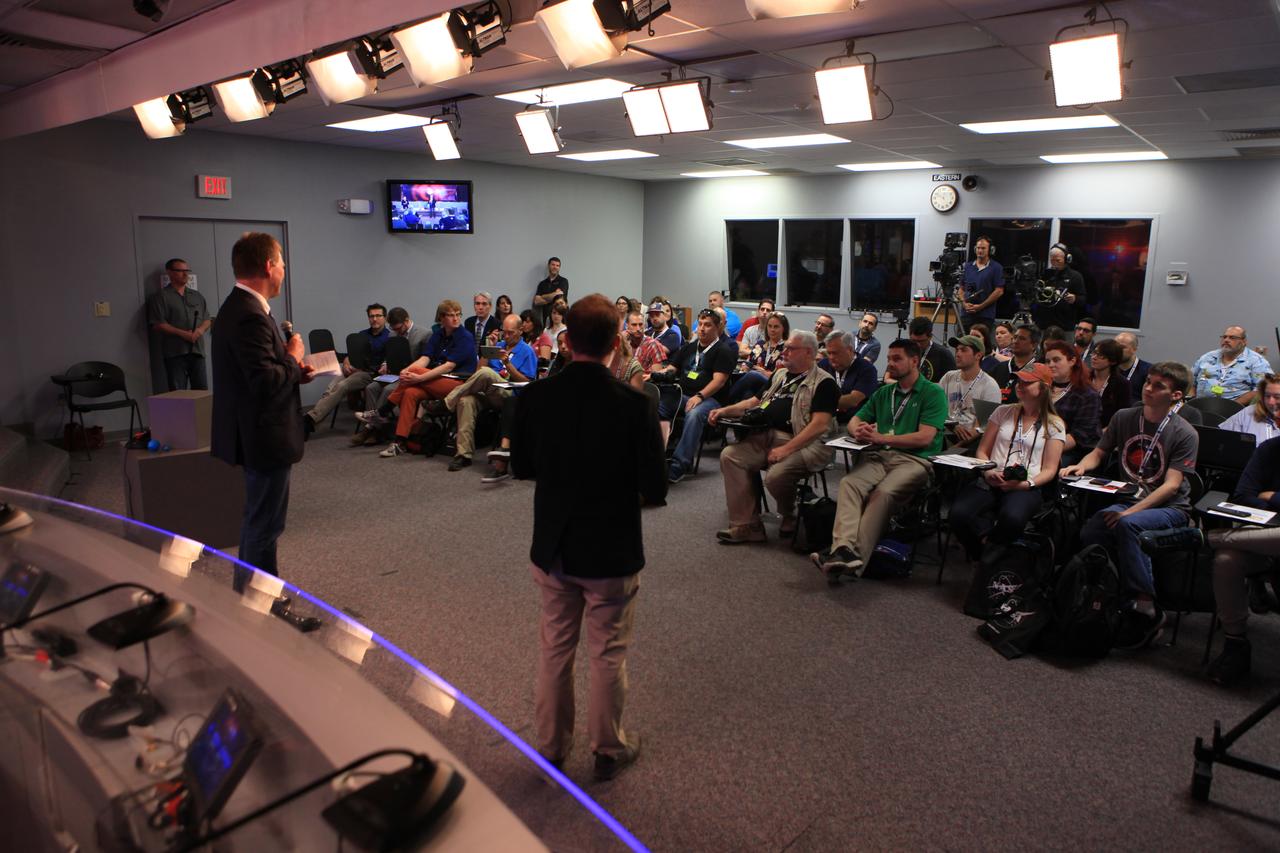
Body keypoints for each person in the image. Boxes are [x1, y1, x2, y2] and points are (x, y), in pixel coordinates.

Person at [512, 293, 666, 781]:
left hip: (554, 543)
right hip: (612, 549)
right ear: (617, 343)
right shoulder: (636, 404)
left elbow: (523, 467)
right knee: (608, 652)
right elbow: (655, 488)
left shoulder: (535, 397)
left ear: (566, 340)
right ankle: (607, 748)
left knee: (556, 648)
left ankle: (552, 748)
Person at [210, 233, 317, 607]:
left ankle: (258, 601)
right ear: (269, 266)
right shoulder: (248, 315)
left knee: (260, 523)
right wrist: (293, 353)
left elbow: (263, 372)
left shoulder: (241, 307)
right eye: (282, 263)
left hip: (257, 431)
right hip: (263, 435)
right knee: (263, 527)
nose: (285, 271)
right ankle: (257, 607)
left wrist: (292, 370)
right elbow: (264, 380)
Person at [1064, 362, 1200, 650]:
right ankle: (1109, 592)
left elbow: (1172, 486)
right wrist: (1080, 466)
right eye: (1148, 382)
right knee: (1093, 529)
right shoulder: (1125, 417)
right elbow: (1099, 452)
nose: (1148, 388)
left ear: (1176, 395)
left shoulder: (1185, 433)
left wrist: (1130, 512)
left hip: (1171, 509)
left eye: (1158, 386)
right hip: (1129, 500)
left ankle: (1147, 606)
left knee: (1127, 524)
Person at [810, 339, 947, 578]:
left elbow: (925, 438)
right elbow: (856, 418)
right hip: (880, 455)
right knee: (849, 483)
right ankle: (843, 549)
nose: (890, 364)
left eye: (897, 359)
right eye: (890, 358)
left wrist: (882, 437)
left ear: (914, 361)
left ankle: (854, 560)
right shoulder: (885, 392)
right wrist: (857, 430)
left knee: (882, 494)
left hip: (915, 461)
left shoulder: (932, 392)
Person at [709, 330, 837, 543]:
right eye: (784, 347)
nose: (784, 352)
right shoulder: (779, 375)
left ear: (808, 352)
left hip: (804, 442)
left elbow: (819, 426)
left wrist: (785, 449)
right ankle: (747, 526)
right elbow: (754, 402)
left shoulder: (824, 383)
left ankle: (789, 514)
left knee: (776, 476)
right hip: (766, 436)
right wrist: (725, 410)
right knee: (731, 456)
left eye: (790, 348)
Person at [948, 363, 1065, 562]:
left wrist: (1027, 484)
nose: (1020, 385)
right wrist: (987, 472)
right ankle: (986, 554)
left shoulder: (1054, 424)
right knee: (958, 515)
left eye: (1027, 382)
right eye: (1018, 381)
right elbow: (982, 450)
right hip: (991, 477)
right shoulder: (1003, 412)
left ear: (1043, 388)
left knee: (1012, 519)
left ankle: (990, 553)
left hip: (1026, 485)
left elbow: (1050, 469)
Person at [1205, 434, 1280, 685]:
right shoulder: (1270, 449)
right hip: (1262, 539)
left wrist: (1273, 497)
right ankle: (1235, 645)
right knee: (1227, 559)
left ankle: (1205, 538)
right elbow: (1243, 494)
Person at [358, 300, 477, 457]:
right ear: (441, 318)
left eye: (458, 315)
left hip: (458, 385)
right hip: (436, 381)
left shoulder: (465, 337)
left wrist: (417, 377)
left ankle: (382, 411)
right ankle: (399, 442)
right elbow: (425, 358)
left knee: (414, 374)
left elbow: (448, 366)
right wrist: (406, 371)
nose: (456, 318)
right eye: (450, 315)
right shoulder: (438, 335)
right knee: (410, 392)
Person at [429, 313, 537, 471]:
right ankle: (463, 455)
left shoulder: (527, 351)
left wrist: (507, 364)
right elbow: (478, 371)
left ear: (520, 330)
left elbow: (527, 383)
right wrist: (488, 349)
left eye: (510, 332)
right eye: (504, 332)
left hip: (510, 396)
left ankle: (446, 403)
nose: (506, 336)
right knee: (465, 401)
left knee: (487, 373)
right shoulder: (498, 345)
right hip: (489, 392)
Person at [653, 309, 737, 483]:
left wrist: (700, 396)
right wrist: (656, 374)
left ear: (717, 327)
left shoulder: (724, 350)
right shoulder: (689, 347)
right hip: (683, 394)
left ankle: (680, 465)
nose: (702, 329)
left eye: (707, 325)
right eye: (700, 324)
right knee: (656, 406)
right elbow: (672, 368)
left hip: (711, 400)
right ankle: (656, 456)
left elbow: (719, 381)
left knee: (695, 414)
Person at [304, 303, 390, 435]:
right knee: (330, 388)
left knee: (342, 386)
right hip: (354, 369)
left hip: (370, 374)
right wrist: (346, 362)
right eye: (371, 316)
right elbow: (352, 353)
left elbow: (384, 364)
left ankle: (310, 419)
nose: (374, 319)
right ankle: (311, 424)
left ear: (385, 317)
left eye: (378, 316)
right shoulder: (361, 335)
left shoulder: (389, 337)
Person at [352, 306, 430, 447]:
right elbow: (390, 356)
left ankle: (372, 430)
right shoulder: (392, 334)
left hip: (411, 376)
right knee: (371, 387)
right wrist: (385, 364)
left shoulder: (424, 334)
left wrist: (407, 371)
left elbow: (426, 362)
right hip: (393, 373)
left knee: (388, 390)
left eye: (399, 328)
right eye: (393, 329)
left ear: (406, 321)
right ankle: (375, 428)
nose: (396, 332)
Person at [148, 258, 211, 391]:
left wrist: (199, 331)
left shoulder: (196, 296)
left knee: (201, 393)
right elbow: (158, 324)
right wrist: (184, 334)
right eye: (180, 271)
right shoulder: (161, 297)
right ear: (169, 273)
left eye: (186, 271)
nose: (185, 274)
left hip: (197, 352)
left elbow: (207, 319)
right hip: (175, 353)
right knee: (178, 394)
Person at [938, 334, 1002, 447]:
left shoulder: (989, 385)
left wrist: (952, 450)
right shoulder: (949, 377)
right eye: (957, 350)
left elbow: (981, 428)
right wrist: (952, 425)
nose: (957, 354)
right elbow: (936, 408)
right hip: (943, 433)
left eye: (963, 350)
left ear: (978, 355)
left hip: (970, 443)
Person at [1043, 340, 1101, 463]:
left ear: (1072, 361)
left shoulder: (1087, 395)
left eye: (1056, 360)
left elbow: (1080, 436)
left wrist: (1044, 449)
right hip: (1036, 443)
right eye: (1047, 361)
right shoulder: (1041, 388)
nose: (1051, 365)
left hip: (1069, 452)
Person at [1191, 326, 1272, 404]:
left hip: (1236, 410)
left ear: (1244, 342)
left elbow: (1262, 389)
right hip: (1201, 407)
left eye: (1232, 338)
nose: (1226, 340)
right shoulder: (1208, 357)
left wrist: (1232, 406)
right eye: (1224, 337)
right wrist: (1191, 401)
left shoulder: (1257, 362)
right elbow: (1190, 381)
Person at [819, 330, 879, 424]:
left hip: (850, 424)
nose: (831, 357)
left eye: (835, 353)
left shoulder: (867, 369)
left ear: (850, 350)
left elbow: (853, 400)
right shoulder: (823, 365)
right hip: (824, 420)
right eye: (829, 353)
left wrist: (821, 403)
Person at [730, 311, 789, 403]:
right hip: (755, 384)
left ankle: (726, 399)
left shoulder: (787, 348)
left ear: (784, 329)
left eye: (776, 327)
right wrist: (746, 367)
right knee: (748, 393)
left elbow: (783, 376)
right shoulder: (760, 344)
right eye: (769, 326)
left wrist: (762, 372)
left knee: (753, 375)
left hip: (774, 384)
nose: (772, 330)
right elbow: (749, 363)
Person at [1031, 243, 1084, 333]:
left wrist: (1075, 298)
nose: (1054, 263)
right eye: (1052, 260)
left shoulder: (1075, 276)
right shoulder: (1045, 275)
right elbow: (1035, 295)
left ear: (1067, 259)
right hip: (1043, 325)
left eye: (1058, 260)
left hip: (1064, 326)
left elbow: (1083, 299)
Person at [1220, 374, 1280, 445]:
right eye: (1267, 396)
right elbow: (1220, 438)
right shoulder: (1249, 412)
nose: (1270, 402)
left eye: (1277, 397)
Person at [959, 236, 1004, 327]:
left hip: (985, 316)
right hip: (966, 315)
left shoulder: (996, 267)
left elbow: (999, 291)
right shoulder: (967, 267)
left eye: (983, 248)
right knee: (962, 341)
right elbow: (961, 289)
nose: (980, 250)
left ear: (990, 250)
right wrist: (964, 304)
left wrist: (980, 306)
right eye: (978, 248)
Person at [987, 324, 1040, 402]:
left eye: (1022, 338)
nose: (1015, 341)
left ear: (1033, 345)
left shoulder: (1039, 372)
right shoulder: (998, 368)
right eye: (1015, 337)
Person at [1088, 338, 1132, 428]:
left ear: (1113, 361)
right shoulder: (1084, 378)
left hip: (1107, 432)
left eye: (1100, 355)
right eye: (1094, 353)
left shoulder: (1122, 384)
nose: (1094, 357)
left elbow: (1122, 417)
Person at [907, 316, 956, 383]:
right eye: (914, 341)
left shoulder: (944, 355)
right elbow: (889, 380)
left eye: (921, 341)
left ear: (930, 337)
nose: (917, 345)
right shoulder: (903, 351)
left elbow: (951, 384)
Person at [1114, 331, 1151, 402]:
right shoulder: (1108, 368)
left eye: (1122, 347)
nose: (1117, 350)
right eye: (1115, 346)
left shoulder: (1148, 370)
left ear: (1134, 349)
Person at [532, 257, 568, 326]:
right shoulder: (542, 284)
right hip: (546, 319)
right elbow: (537, 301)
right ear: (549, 266)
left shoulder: (563, 281)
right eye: (553, 265)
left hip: (561, 319)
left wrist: (543, 296)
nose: (555, 267)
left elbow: (559, 298)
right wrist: (554, 294)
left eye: (557, 265)